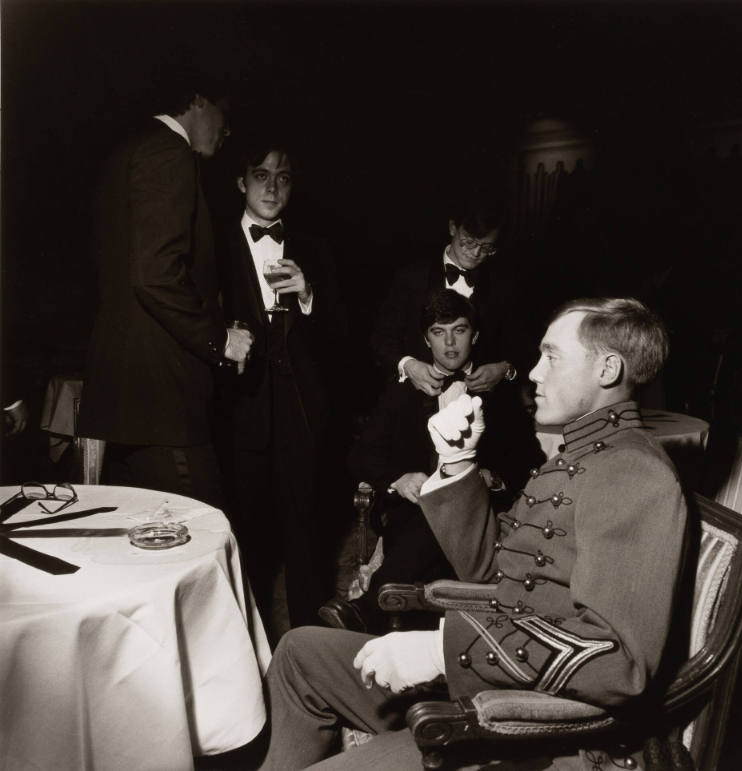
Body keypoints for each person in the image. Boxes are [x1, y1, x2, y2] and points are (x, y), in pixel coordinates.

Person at [263, 297, 688, 770]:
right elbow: (492, 570)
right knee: (299, 651)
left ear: (608, 369)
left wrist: (442, 651)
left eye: (552, 356)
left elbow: (620, 662)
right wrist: (459, 462)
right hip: (495, 677)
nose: (533, 373)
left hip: (532, 730)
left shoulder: (631, 471)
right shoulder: (581, 456)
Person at [78, 70, 252, 508]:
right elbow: (153, 275)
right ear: (197, 100)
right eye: (223, 115)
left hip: (127, 399)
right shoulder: (169, 153)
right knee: (205, 532)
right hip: (164, 400)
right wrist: (220, 339)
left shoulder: (125, 151)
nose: (226, 130)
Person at [319, 289, 510, 634]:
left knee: (449, 505)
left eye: (460, 330)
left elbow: (527, 459)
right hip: (411, 519)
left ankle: (366, 608)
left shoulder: (497, 394)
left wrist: (490, 477)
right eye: (439, 332)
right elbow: (360, 457)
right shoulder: (402, 391)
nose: (450, 343)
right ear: (426, 340)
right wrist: (398, 479)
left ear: (475, 335)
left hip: (478, 523)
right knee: (434, 509)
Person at [218, 135, 346, 634]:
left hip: (302, 416)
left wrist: (309, 295)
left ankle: (310, 663)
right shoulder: (214, 242)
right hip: (239, 412)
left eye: (284, 176)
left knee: (307, 543)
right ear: (241, 182)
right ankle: (244, 662)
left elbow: (341, 337)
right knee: (244, 540)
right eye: (262, 174)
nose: (272, 187)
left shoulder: (315, 248)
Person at [371, 187, 525, 397]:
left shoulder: (503, 285)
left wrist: (505, 370)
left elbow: (520, 347)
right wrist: (408, 365)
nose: (476, 253)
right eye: (469, 241)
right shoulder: (412, 277)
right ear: (453, 227)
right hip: (417, 403)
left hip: (483, 407)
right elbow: (381, 339)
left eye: (487, 247)